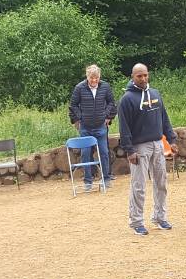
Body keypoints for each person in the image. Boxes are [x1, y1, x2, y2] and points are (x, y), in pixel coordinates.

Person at [117, 63, 176, 235]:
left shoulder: (155, 94)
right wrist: (129, 150)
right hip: (139, 147)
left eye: (145, 75)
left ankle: (160, 217)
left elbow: (164, 118)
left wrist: (171, 139)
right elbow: (124, 127)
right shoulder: (127, 99)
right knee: (139, 186)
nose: (143, 79)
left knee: (161, 183)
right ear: (132, 77)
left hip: (157, 144)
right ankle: (136, 221)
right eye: (139, 76)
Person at [69, 65, 118, 191]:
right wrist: (79, 118)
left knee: (104, 153)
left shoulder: (105, 86)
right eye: (92, 78)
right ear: (87, 77)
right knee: (85, 154)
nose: (94, 80)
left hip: (101, 126)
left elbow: (112, 103)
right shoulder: (79, 88)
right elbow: (73, 105)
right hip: (85, 127)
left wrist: (108, 116)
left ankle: (106, 179)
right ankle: (88, 181)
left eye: (96, 78)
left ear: (99, 77)